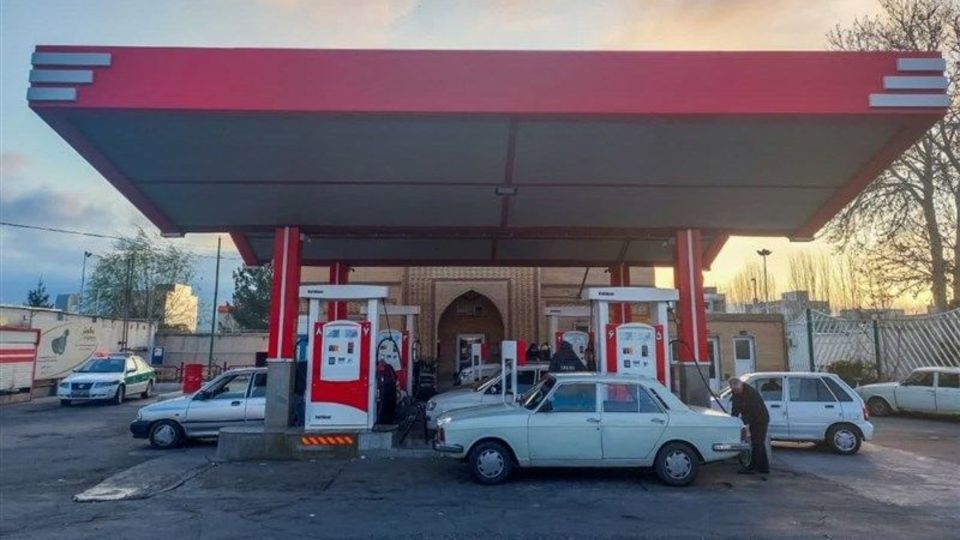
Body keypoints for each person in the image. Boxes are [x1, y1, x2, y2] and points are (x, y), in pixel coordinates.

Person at [728, 377, 770, 474]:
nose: (736, 392)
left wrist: (746, 423)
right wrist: (733, 419)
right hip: (753, 419)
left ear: (741, 385)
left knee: (757, 443)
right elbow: (735, 407)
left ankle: (752, 468)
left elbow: (753, 411)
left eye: (737, 389)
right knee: (759, 444)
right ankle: (764, 468)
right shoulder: (736, 393)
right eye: (734, 390)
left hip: (760, 420)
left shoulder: (752, 393)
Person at [377, 359, 398, 424]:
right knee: (391, 406)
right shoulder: (389, 367)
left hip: (385, 390)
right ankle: (390, 420)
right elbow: (395, 376)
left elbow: (378, 379)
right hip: (392, 389)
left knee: (383, 406)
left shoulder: (379, 369)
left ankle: (382, 421)